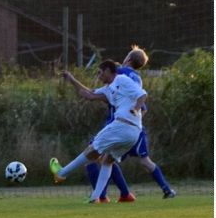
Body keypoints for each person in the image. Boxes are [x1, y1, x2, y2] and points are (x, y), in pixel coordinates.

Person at [49, 60, 147, 203]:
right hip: (133, 133)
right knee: (107, 161)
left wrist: (136, 108)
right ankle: (96, 198)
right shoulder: (108, 89)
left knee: (92, 149)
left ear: (108, 71)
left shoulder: (122, 79)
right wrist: (72, 80)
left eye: (100, 72)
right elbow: (88, 94)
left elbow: (143, 95)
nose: (99, 75)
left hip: (122, 125)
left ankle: (61, 173)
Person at [108, 46, 176, 198]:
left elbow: (109, 71)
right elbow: (143, 108)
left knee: (106, 159)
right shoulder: (138, 79)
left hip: (122, 125)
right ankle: (167, 189)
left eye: (126, 56)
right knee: (145, 162)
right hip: (136, 127)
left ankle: (104, 194)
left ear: (129, 59)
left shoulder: (122, 72)